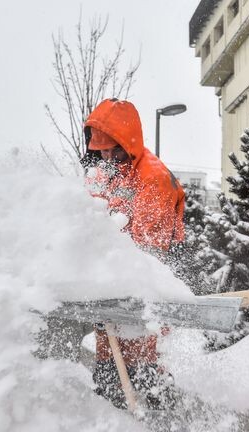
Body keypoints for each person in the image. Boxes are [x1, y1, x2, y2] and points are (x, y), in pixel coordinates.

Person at [82, 98, 186, 409]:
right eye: (101, 151)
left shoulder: (152, 177)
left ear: (127, 143)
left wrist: (114, 271)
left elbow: (149, 248)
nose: (107, 158)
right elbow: (90, 221)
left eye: (113, 150)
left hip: (151, 270)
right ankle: (113, 411)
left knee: (140, 351)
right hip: (113, 275)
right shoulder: (106, 173)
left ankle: (161, 423)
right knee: (108, 360)